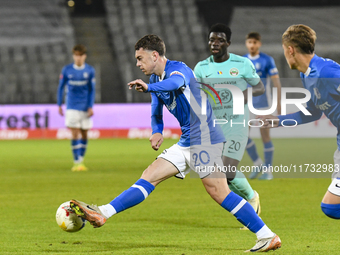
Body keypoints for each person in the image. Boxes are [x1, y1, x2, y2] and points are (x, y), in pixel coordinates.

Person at [69, 35, 281, 252]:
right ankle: (103, 213)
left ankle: (266, 235)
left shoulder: (178, 70)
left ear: (155, 55)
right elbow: (156, 110)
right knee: (149, 175)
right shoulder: (154, 80)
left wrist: (150, 89)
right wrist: (157, 131)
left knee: (219, 192)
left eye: (140, 58)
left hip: (205, 139)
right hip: (188, 140)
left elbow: (176, 83)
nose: (137, 64)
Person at [258, 24, 340, 219]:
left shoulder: (326, 71)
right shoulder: (307, 75)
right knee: (333, 206)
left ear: (290, 50)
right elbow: (311, 113)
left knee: (331, 206)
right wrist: (277, 121)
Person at [194, 24, 264, 218]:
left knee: (227, 171)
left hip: (236, 124)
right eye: (211, 40)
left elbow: (259, 87)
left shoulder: (241, 64)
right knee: (220, 174)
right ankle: (250, 199)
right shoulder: (201, 68)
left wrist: (243, 94)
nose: (214, 44)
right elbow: (197, 96)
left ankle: (251, 198)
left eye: (219, 40)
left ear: (228, 43)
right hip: (214, 127)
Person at [244, 32, 282, 180]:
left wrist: (278, 101)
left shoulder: (267, 60)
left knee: (265, 135)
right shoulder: (242, 60)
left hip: (263, 104)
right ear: (246, 43)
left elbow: (276, 82)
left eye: (255, 42)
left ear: (259, 44)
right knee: (242, 136)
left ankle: (268, 171)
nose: (252, 45)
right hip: (246, 104)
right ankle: (258, 163)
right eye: (249, 42)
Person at [57, 44, 96, 172]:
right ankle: (76, 162)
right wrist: (59, 104)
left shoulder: (90, 70)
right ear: (74, 56)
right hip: (72, 106)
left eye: (81, 55)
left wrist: (90, 106)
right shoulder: (67, 70)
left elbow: (92, 90)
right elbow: (61, 87)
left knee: (84, 133)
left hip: (85, 107)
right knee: (75, 133)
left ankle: (81, 160)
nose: (78, 58)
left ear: (84, 56)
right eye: (76, 55)